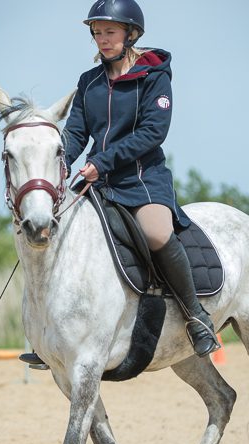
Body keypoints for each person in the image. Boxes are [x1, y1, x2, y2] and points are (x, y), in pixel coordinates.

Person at [20, 0, 217, 368]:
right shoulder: (88, 81)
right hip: (99, 182)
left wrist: (101, 162)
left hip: (143, 180)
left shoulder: (154, 77)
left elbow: (152, 133)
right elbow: (76, 133)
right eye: (97, 32)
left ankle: (196, 317)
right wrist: (59, 166)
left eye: (110, 31)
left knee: (157, 234)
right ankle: (53, 338)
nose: (102, 39)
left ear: (130, 34)